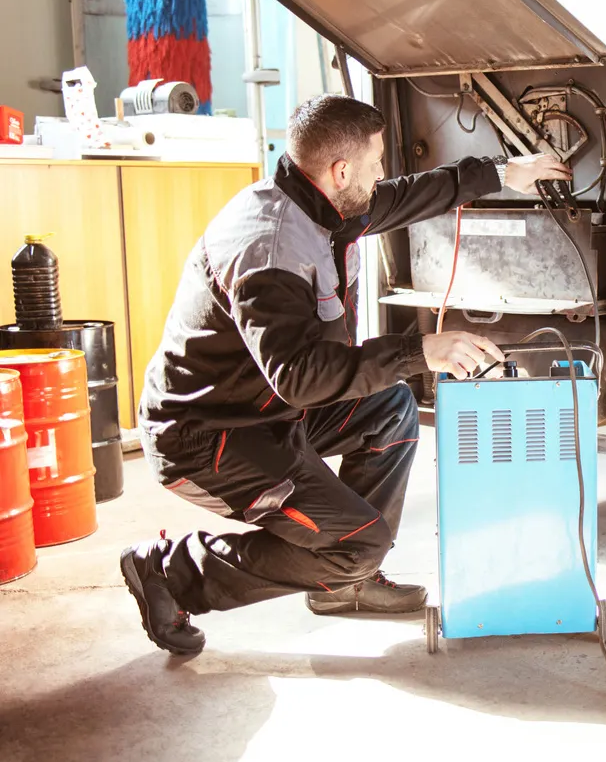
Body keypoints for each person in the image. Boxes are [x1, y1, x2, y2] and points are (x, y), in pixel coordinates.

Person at [120, 93, 572, 654]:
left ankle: (345, 587)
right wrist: (419, 350)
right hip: (208, 438)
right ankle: (174, 572)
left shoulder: (321, 202)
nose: (383, 174)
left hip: (266, 410)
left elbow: (405, 196)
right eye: (376, 163)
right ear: (340, 171)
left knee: (391, 408)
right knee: (358, 544)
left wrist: (505, 172)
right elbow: (300, 377)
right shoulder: (268, 250)